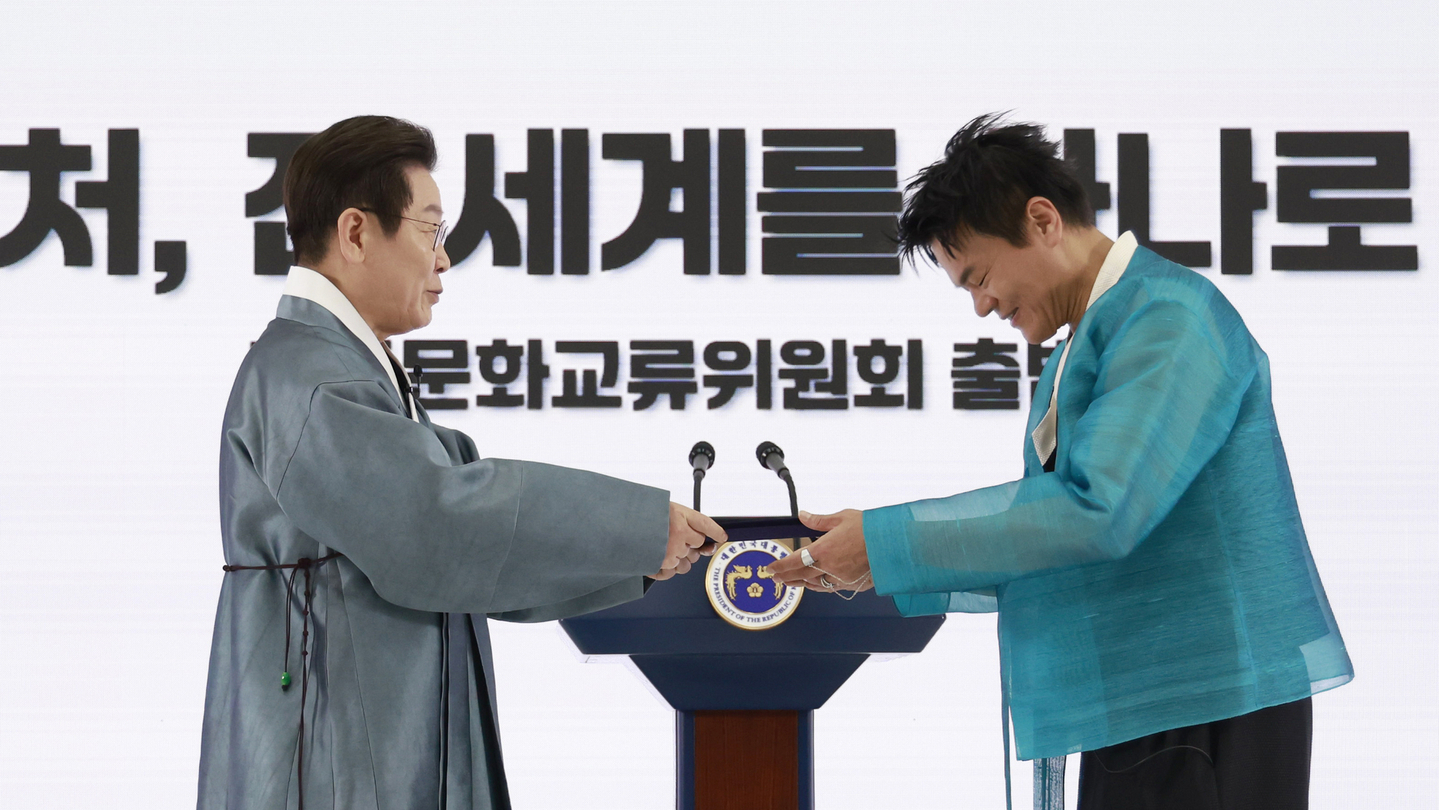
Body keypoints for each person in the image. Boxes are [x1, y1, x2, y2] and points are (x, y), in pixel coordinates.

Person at [768, 114, 1352, 810]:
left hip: (1205, 704)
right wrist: (869, 559)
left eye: (977, 277)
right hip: (1153, 701)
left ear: (1041, 220)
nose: (982, 306)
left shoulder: (1168, 317)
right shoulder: (1096, 335)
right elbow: (1046, 542)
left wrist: (890, 543)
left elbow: (1094, 513)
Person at [198, 115, 726, 810]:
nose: (444, 260)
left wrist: (635, 553)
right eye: (429, 231)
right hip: (335, 740)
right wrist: (636, 528)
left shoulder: (331, 365)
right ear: (356, 233)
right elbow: (439, 523)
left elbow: (463, 537)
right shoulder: (317, 375)